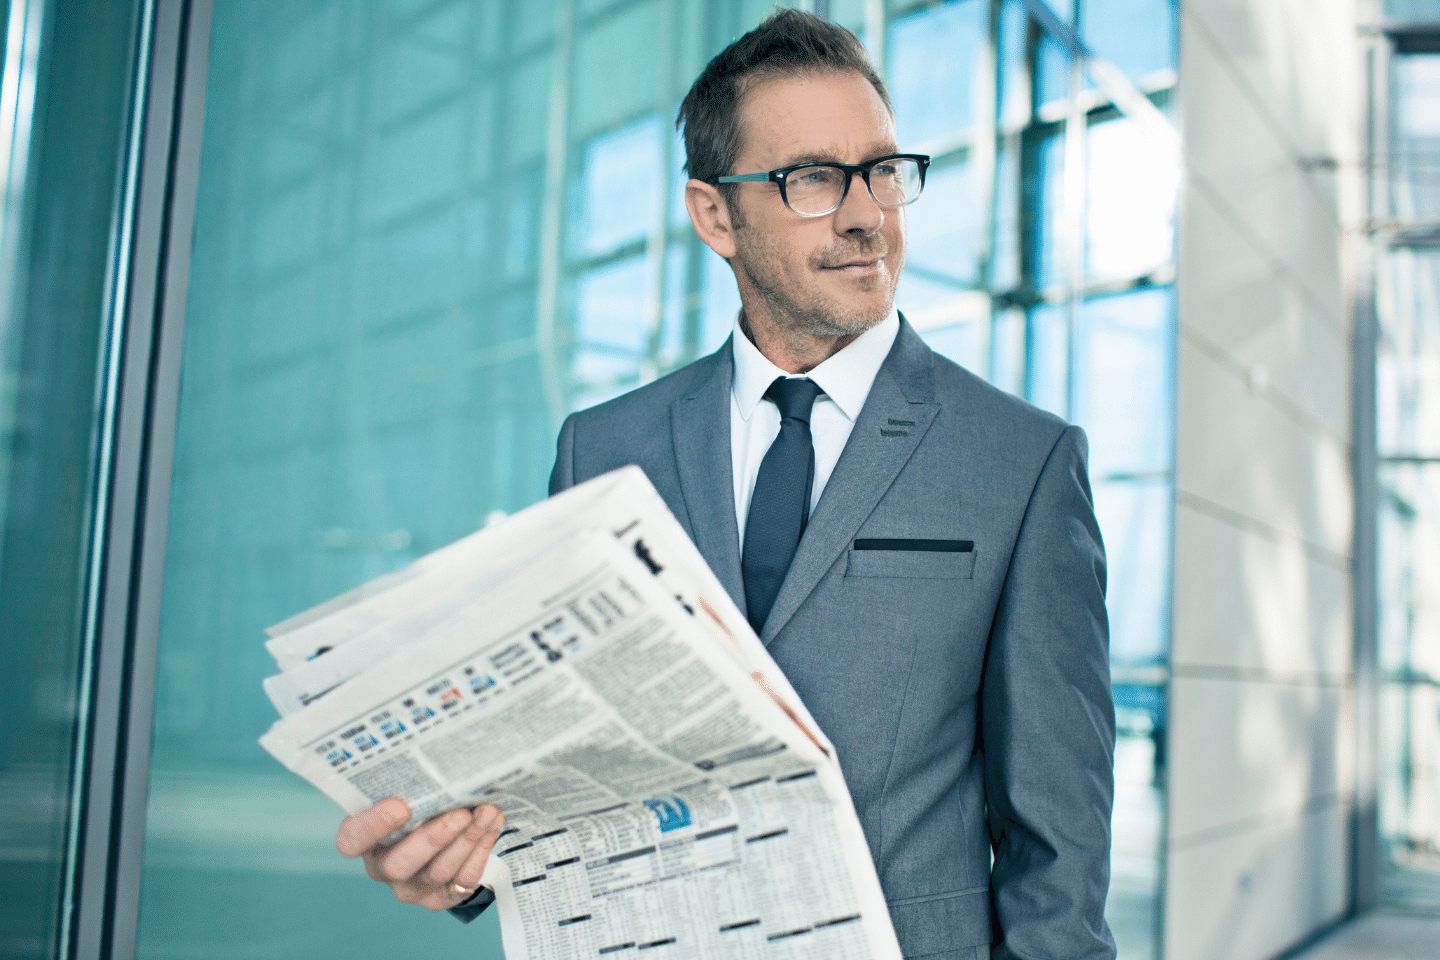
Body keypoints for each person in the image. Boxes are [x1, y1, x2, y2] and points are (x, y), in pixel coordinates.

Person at [335, 11, 1115, 960]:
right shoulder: (601, 449)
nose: (868, 213)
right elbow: (551, 777)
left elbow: (1060, 854)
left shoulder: (1018, 462)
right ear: (715, 216)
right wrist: (456, 864)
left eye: (882, 171)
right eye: (815, 180)